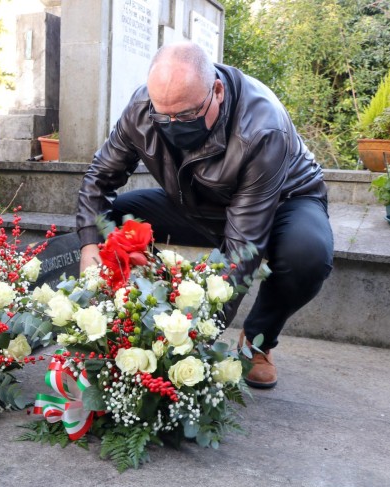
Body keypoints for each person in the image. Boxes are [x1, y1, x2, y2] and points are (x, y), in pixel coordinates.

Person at [76, 42, 333, 389]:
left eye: (185, 116)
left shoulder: (261, 127)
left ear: (217, 91)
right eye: (161, 116)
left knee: (308, 255)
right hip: (199, 203)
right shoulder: (143, 107)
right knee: (116, 220)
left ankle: (258, 340)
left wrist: (188, 346)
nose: (171, 126)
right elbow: (100, 176)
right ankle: (130, 317)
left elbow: (243, 248)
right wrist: (90, 245)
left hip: (284, 203)